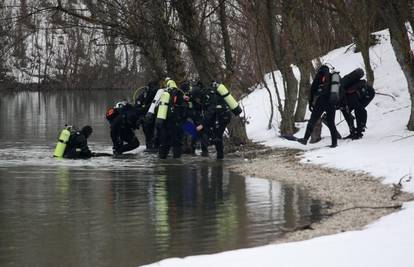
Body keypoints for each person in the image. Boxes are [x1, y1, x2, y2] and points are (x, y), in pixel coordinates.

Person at [297, 65, 339, 148]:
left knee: (313, 120)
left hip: (322, 101)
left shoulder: (320, 75)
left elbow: (313, 89)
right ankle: (334, 143)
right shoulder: (333, 77)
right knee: (331, 123)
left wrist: (310, 103)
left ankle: (305, 139)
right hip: (331, 102)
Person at [194, 82, 232, 159]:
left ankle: (220, 157)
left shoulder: (208, 96)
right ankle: (219, 157)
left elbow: (210, 112)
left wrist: (202, 124)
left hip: (223, 116)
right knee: (215, 135)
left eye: (196, 98)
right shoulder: (207, 95)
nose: (197, 100)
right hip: (221, 115)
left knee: (217, 136)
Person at [156, 77, 187, 159]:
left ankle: (162, 160)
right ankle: (176, 163)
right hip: (176, 122)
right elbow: (184, 109)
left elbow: (156, 108)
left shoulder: (163, 94)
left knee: (164, 143)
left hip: (164, 123)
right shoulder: (179, 93)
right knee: (177, 144)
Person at [339, 69, 375, 139]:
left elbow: (362, 110)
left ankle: (359, 132)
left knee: (358, 109)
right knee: (345, 111)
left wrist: (360, 127)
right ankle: (353, 132)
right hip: (356, 96)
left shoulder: (349, 96)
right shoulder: (340, 99)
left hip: (369, 93)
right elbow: (345, 112)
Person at [134, 80, 159, 150]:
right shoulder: (144, 95)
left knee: (150, 138)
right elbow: (137, 109)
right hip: (147, 119)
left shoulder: (154, 94)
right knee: (151, 138)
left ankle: (150, 150)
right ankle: (152, 150)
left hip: (150, 119)